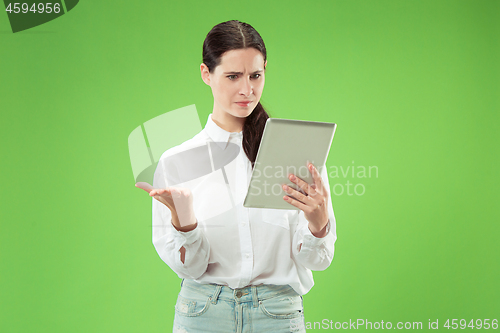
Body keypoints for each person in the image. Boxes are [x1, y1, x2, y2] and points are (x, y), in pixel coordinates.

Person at [136, 20, 337, 333]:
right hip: (202, 314)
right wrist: (185, 224)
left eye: (256, 75)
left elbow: (318, 260)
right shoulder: (178, 162)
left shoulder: (297, 150)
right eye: (232, 76)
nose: (248, 89)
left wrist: (319, 224)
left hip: (277, 314)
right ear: (206, 74)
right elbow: (188, 266)